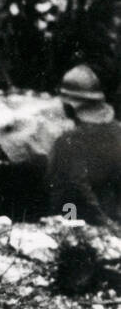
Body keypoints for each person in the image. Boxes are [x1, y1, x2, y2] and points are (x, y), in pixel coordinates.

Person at [46, 64, 121, 229]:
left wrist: (101, 224)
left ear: (70, 105)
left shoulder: (68, 141)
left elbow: (73, 190)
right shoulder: (118, 131)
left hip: (78, 223)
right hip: (114, 220)